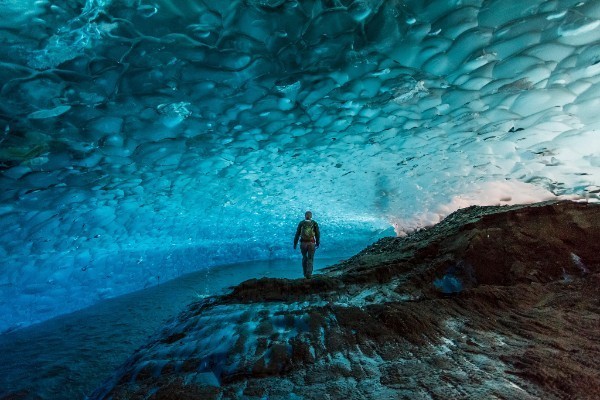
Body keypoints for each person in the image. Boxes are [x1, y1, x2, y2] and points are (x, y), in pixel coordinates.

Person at [293, 211, 320, 279]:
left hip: (303, 243)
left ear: (305, 216)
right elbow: (317, 234)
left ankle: (305, 273)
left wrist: (295, 243)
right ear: (311, 216)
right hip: (311, 243)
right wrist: (318, 242)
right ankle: (309, 274)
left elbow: (297, 234)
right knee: (310, 258)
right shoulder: (314, 223)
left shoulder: (301, 223)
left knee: (304, 257)